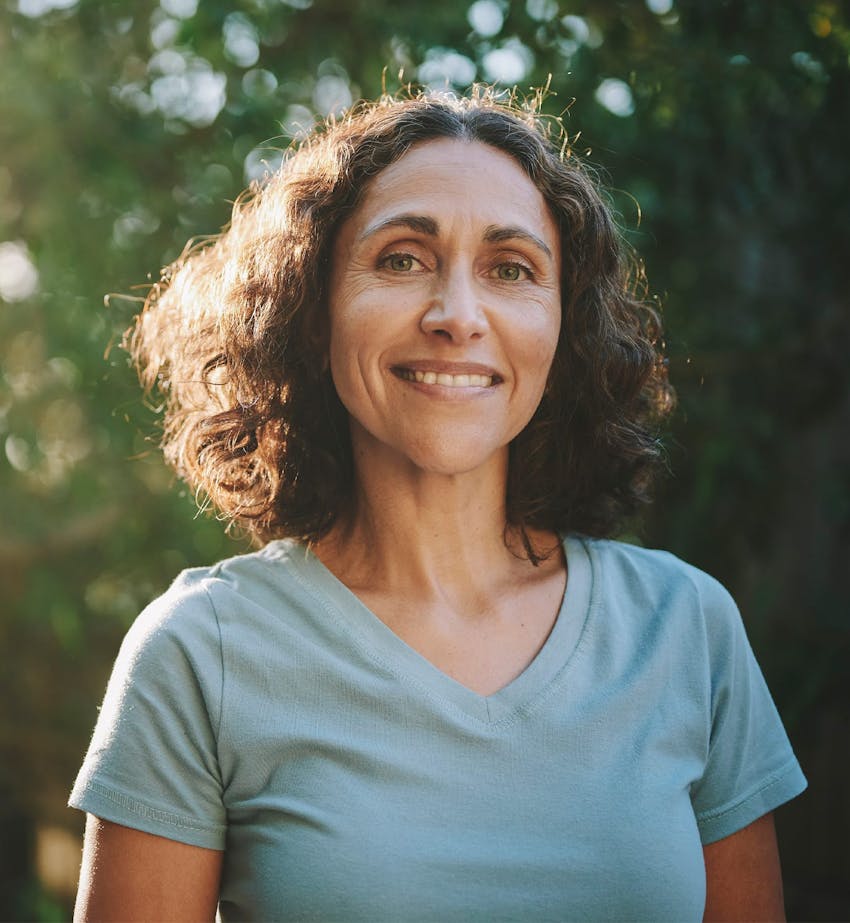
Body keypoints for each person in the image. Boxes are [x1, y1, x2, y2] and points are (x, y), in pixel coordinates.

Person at [69, 88, 806, 922]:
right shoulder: (202, 653)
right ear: (313, 313)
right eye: (402, 259)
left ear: (563, 328)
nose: (459, 315)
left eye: (511, 270)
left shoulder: (687, 629)